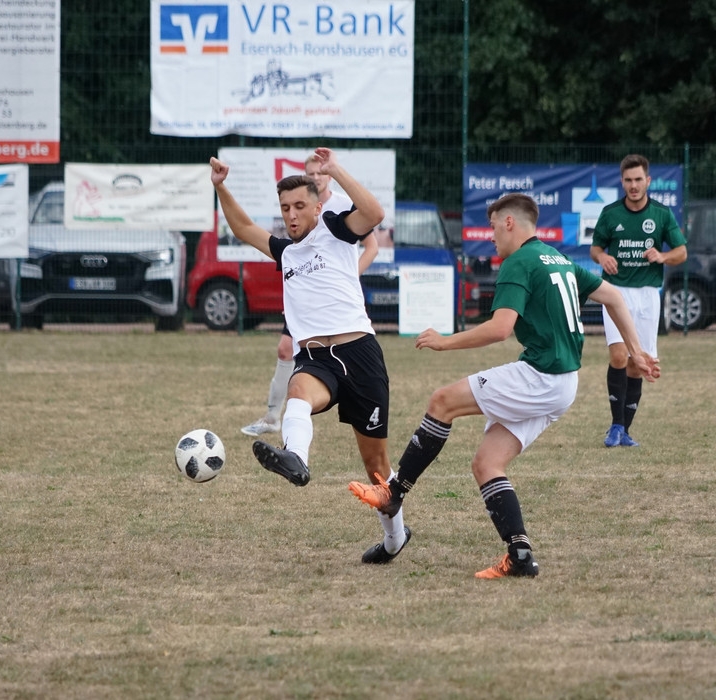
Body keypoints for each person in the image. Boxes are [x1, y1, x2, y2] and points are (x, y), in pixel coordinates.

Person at [347, 193, 660, 578]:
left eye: (494, 227)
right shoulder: (556, 258)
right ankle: (520, 555)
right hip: (564, 384)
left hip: (540, 376)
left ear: (510, 222)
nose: (492, 236)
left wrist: (446, 341)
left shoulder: (519, 262)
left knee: (442, 401)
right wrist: (636, 351)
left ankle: (393, 493)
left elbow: (500, 329)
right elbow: (612, 295)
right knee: (487, 463)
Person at [211, 147, 410, 564]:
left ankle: (395, 539)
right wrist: (221, 187)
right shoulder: (286, 252)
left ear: (318, 207)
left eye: (300, 206)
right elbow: (243, 228)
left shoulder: (337, 230)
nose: (292, 215)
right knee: (297, 393)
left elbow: (374, 213)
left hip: (360, 354)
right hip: (316, 359)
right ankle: (296, 459)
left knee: (376, 466)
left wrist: (336, 168)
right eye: (285, 208)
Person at [241, 154, 378, 437]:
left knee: (373, 447)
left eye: (320, 172)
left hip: (337, 312)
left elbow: (372, 242)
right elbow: (246, 230)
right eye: (311, 173)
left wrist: (345, 278)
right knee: (285, 350)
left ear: (328, 175)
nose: (316, 177)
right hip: (305, 299)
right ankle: (273, 417)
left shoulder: (341, 205)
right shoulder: (295, 222)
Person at [590, 154, 686, 448]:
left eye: (638, 179)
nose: (633, 185)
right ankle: (615, 425)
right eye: (628, 180)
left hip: (647, 295)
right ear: (622, 182)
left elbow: (681, 252)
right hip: (616, 292)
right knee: (619, 356)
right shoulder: (610, 214)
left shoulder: (661, 214)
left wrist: (663, 256)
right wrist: (602, 258)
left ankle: (625, 430)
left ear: (648, 181)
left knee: (637, 363)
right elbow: (596, 248)